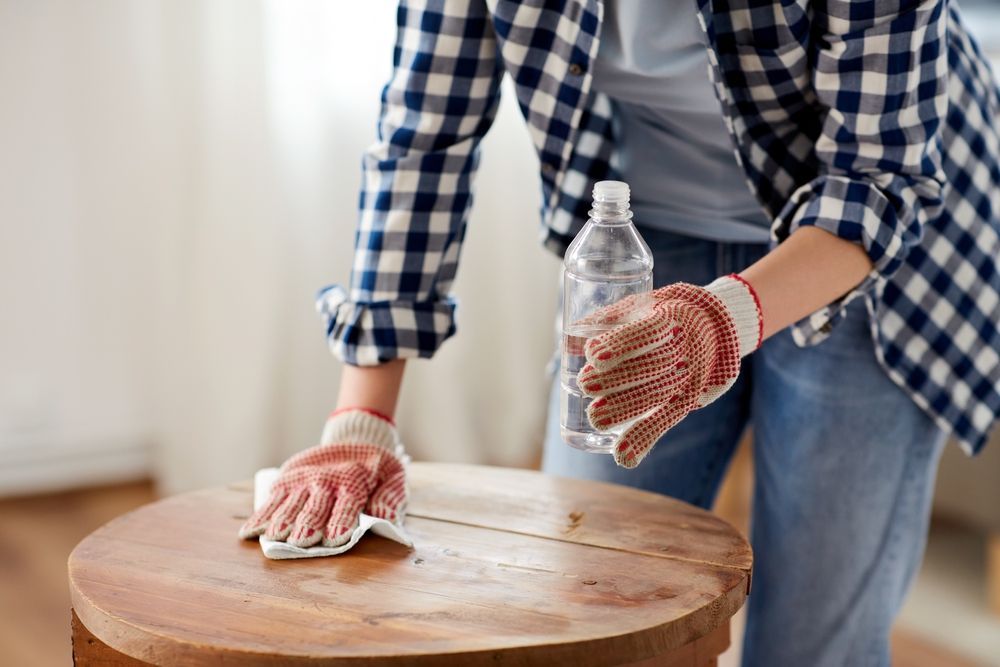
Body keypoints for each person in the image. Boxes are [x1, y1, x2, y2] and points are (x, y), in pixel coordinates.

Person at [239, 1, 1000, 664]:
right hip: (646, 234)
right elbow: (423, 139)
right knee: (587, 598)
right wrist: (361, 417)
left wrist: (726, 316)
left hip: (867, 249)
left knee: (810, 641)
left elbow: (877, 177)